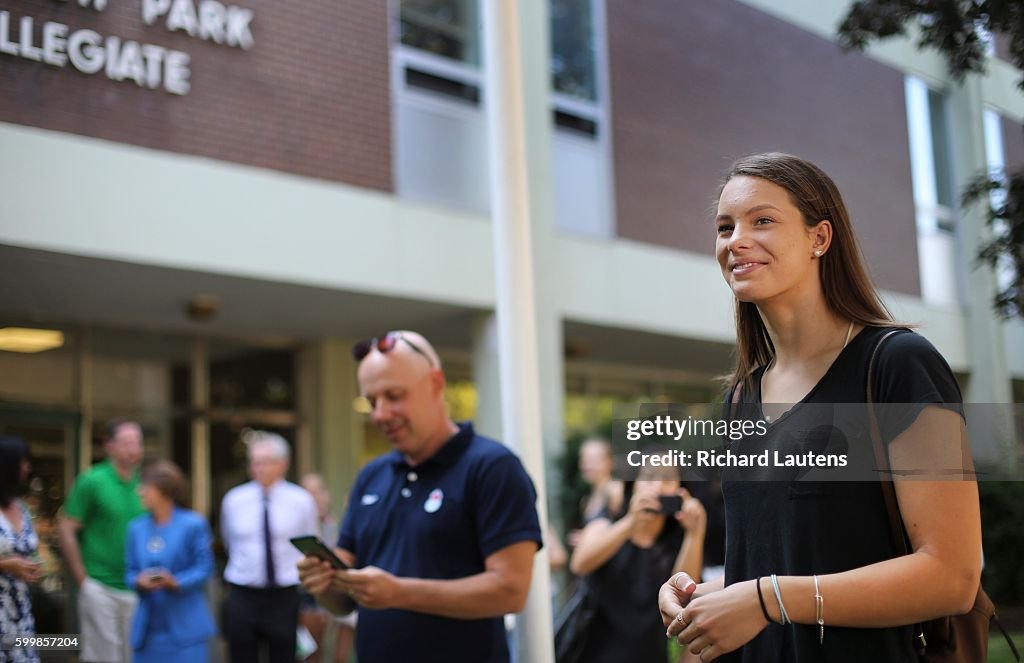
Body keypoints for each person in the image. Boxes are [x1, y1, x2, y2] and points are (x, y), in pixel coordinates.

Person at [658, 153, 981, 662]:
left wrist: (767, 600)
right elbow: (772, 566)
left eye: (762, 220)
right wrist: (707, 602)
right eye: (725, 227)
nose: (735, 240)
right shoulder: (741, 398)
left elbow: (952, 575)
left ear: (819, 238)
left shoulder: (898, 365)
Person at [297, 330, 543, 663]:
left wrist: (398, 593)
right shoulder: (372, 475)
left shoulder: (492, 467)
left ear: (436, 384)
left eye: (394, 395)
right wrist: (324, 582)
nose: (380, 414)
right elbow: (346, 595)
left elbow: (510, 591)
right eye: (371, 402)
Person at [570, 463, 706, 663]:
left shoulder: (678, 544)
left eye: (667, 479)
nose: (657, 487)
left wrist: (694, 534)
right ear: (633, 483)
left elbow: (683, 597)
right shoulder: (605, 525)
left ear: (680, 490)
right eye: (649, 478)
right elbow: (580, 564)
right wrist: (631, 522)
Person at [220, 430, 318, 663]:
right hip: (243, 592)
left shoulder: (301, 501)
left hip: (283, 595)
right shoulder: (234, 500)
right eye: (254, 462)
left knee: (284, 655)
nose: (258, 468)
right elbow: (228, 541)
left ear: (283, 464)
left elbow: (310, 545)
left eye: (265, 462)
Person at [58, 419, 145, 663]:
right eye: (127, 442)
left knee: (134, 656)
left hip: (137, 587)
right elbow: (66, 529)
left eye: (138, 442)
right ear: (109, 446)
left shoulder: (146, 484)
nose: (134, 448)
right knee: (102, 657)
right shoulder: (92, 480)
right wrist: (83, 580)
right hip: (100, 585)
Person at [125, 460, 216, 662]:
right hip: (147, 631)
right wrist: (139, 581)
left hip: (186, 630)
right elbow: (129, 572)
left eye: (145, 486)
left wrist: (176, 582)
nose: (140, 491)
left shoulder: (193, 524)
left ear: (163, 490)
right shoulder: (136, 528)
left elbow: (205, 567)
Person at [298, 472, 355, 663]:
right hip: (310, 595)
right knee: (311, 652)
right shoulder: (297, 523)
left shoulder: (334, 523)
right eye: (308, 492)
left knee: (340, 654)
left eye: (318, 491)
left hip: (340, 590)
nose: (315, 497)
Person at [0, 436, 41, 663]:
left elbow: (26, 550)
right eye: (22, 462)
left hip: (20, 611)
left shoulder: (21, 507)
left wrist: (30, 567)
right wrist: (7, 565)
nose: (28, 467)